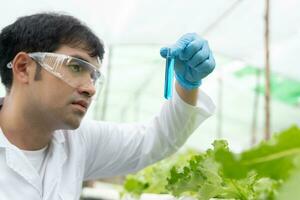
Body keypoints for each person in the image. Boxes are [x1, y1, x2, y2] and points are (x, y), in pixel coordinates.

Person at [0, 12, 215, 200]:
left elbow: (155, 139)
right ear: (23, 68)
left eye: (93, 77)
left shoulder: (78, 142)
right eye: (76, 67)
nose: (90, 89)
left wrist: (188, 84)